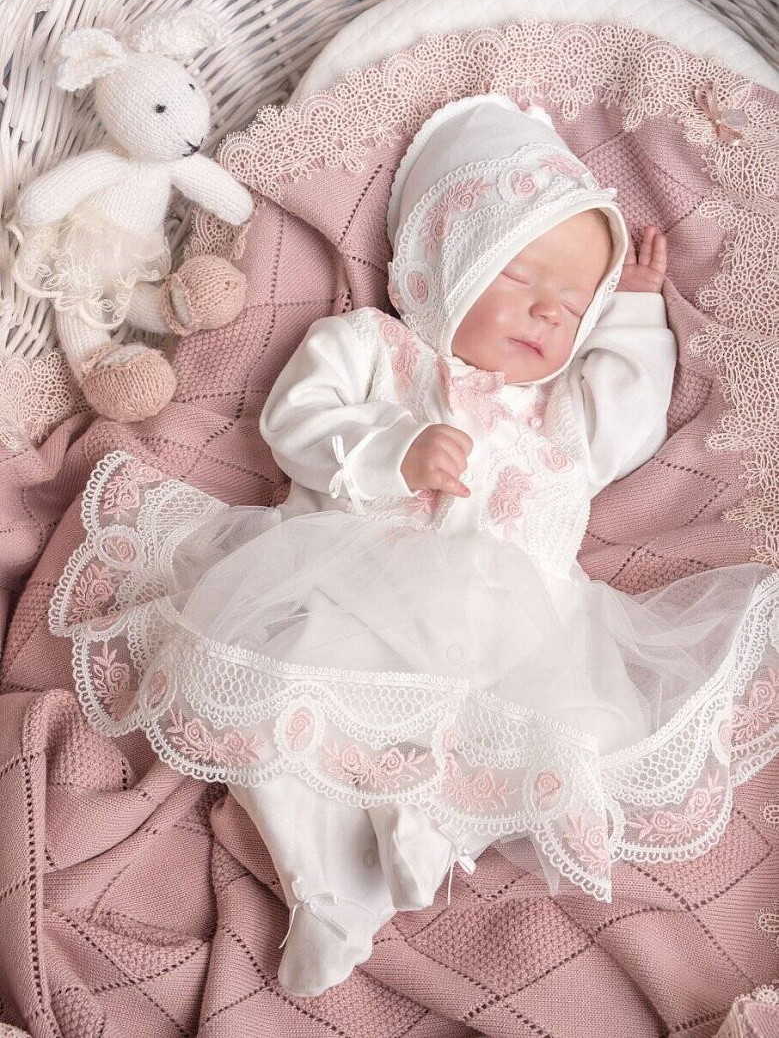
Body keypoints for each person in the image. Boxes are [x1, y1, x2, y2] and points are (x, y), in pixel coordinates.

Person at [49, 94, 779, 998]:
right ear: (445, 265)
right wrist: (392, 452)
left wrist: (629, 311)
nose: (545, 312)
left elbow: (630, 414)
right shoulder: (375, 351)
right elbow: (296, 420)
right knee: (272, 695)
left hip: (508, 637)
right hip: (352, 591)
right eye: (522, 277)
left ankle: (427, 830)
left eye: (571, 304)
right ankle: (322, 890)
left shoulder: (559, 416)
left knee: (572, 736)